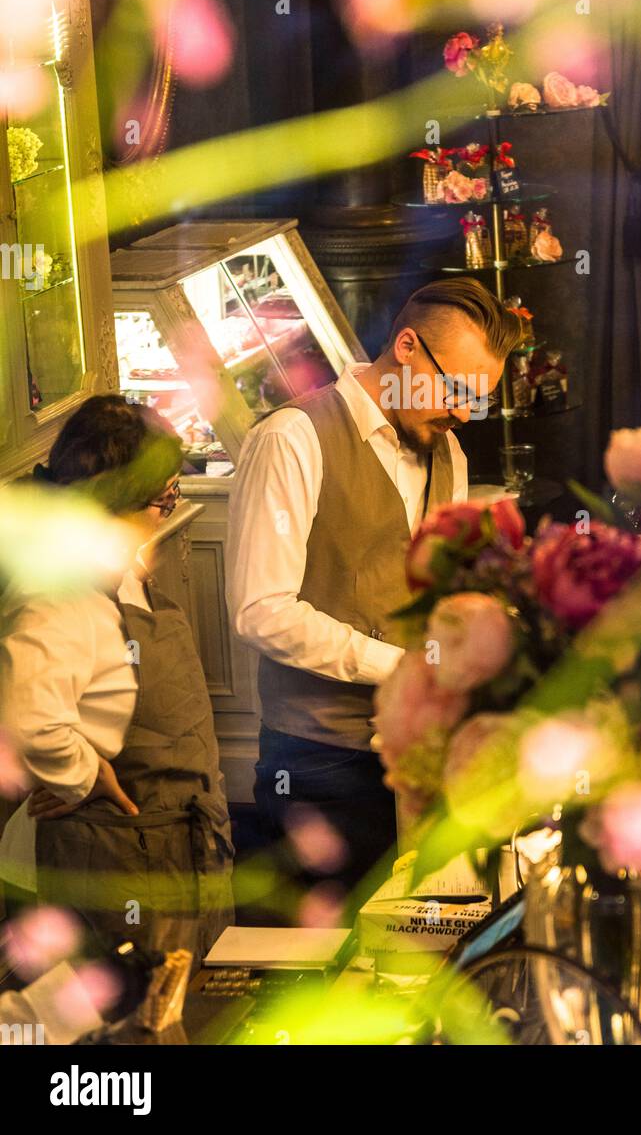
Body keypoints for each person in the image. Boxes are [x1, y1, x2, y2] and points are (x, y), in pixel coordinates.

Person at [226, 278, 522, 893]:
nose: (465, 413)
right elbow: (260, 610)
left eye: (479, 399)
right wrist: (401, 666)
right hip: (317, 761)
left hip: (416, 757)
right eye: (458, 390)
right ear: (407, 347)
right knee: (318, 963)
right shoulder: (292, 439)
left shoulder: (451, 454)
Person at [0, 396, 234, 965]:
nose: (168, 512)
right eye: (164, 499)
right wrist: (84, 775)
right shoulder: (60, 594)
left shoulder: (116, 570)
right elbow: (31, 723)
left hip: (171, 848)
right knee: (132, 1031)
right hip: (120, 861)